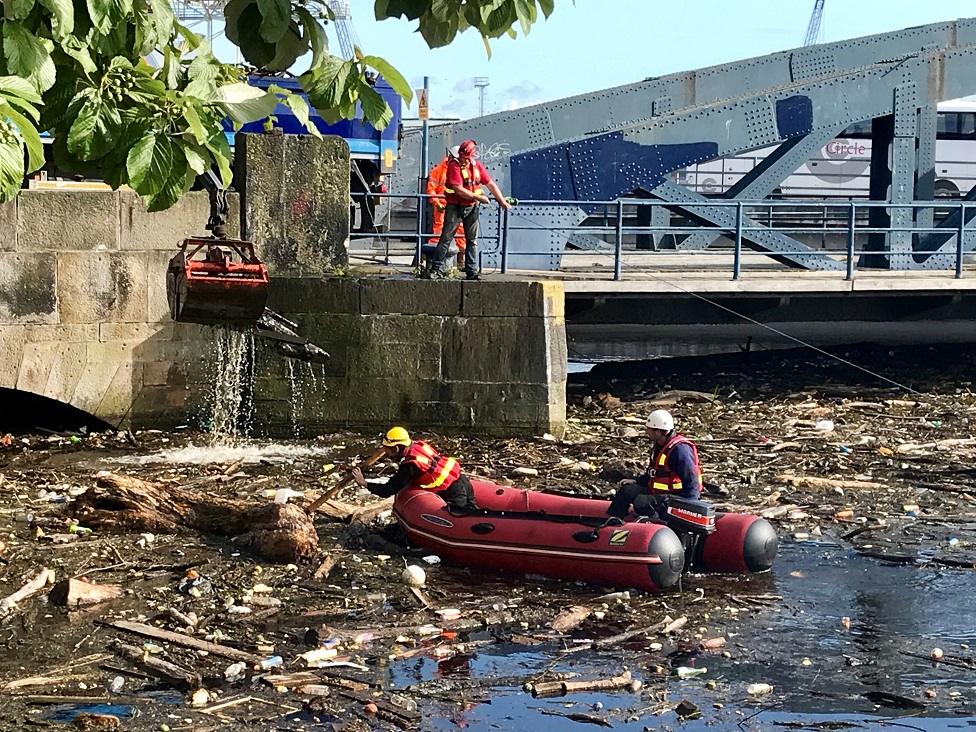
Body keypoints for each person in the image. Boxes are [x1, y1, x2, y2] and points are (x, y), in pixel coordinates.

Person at [429, 139, 512, 281]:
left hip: (471, 207)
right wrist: (479, 198)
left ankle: (471, 272)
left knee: (472, 240)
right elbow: (458, 189)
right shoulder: (453, 167)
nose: (463, 160)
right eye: (461, 157)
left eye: (465, 158)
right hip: (455, 207)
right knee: (446, 238)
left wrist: (502, 200)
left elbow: (490, 183)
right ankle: (435, 269)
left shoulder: (477, 166)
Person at [351, 426, 479, 514]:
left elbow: (388, 489)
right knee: (473, 511)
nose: (386, 452)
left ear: (396, 448)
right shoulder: (419, 445)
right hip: (462, 481)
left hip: (453, 493)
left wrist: (365, 484)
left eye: (388, 449)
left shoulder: (410, 466)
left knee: (462, 519)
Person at [607, 409, 703, 518]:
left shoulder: (680, 450)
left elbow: (692, 481)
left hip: (677, 497)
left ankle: (656, 523)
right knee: (627, 491)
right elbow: (654, 474)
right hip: (659, 493)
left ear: (659, 431)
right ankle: (612, 522)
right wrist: (636, 481)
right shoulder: (659, 446)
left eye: (650, 429)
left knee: (642, 502)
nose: (647, 432)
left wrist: (690, 507)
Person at [426, 146, 466, 268]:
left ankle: (461, 261)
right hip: (442, 206)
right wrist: (436, 202)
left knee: (461, 232)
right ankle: (432, 260)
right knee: (439, 231)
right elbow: (431, 189)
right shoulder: (437, 171)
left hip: (457, 205)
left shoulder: (463, 171)